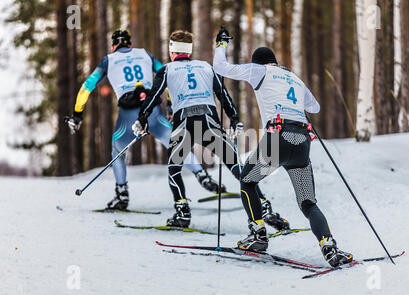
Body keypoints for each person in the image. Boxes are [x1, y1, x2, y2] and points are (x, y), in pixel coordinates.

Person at [212, 27, 353, 267]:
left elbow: (220, 68)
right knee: (308, 202)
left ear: (259, 63)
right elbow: (315, 108)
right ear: (275, 61)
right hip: (302, 141)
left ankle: (257, 235)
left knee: (247, 181)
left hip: (278, 138)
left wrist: (222, 44)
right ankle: (329, 246)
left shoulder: (259, 71)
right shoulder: (294, 77)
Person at [132, 30, 288, 230]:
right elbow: (222, 94)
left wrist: (142, 118)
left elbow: (154, 97)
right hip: (209, 123)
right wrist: (234, 119)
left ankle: (182, 213)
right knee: (237, 167)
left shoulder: (166, 70)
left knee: (174, 169)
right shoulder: (205, 66)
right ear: (189, 50)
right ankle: (265, 208)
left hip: (184, 124)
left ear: (172, 50)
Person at [66, 29, 226, 210]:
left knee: (118, 150)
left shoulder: (108, 60)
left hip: (128, 112)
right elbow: (167, 73)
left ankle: (122, 194)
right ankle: (202, 176)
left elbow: (87, 86)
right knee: (174, 143)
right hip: (152, 108)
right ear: (130, 44)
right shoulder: (144, 54)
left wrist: (77, 114)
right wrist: (171, 105)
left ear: (113, 46)